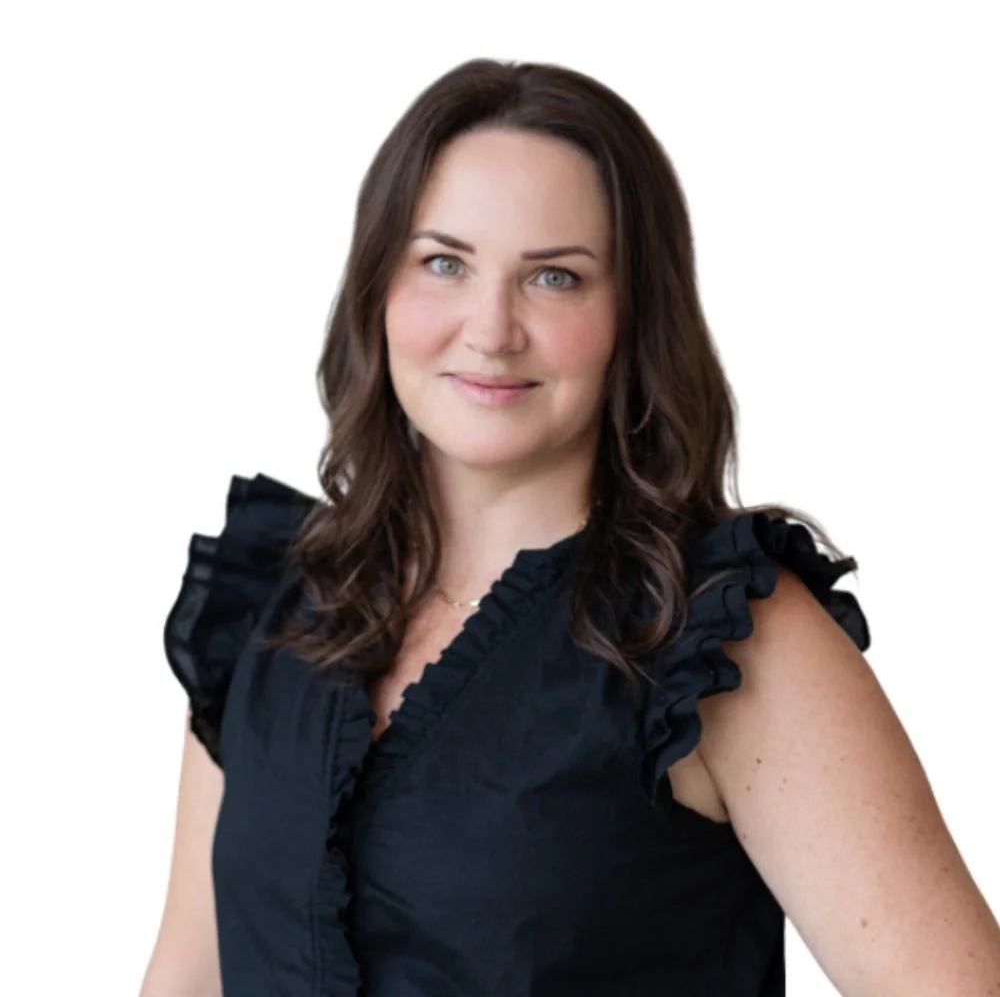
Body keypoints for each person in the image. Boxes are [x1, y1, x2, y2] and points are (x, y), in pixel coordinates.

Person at [140, 59, 1000, 996]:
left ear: (632, 316)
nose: (493, 327)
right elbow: (187, 978)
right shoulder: (271, 606)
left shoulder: (719, 638)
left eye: (555, 276)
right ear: (377, 290)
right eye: (444, 262)